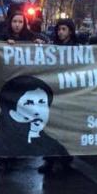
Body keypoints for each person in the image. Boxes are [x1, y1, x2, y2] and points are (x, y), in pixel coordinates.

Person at [0, 76, 68, 158]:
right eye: (28, 103)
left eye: (42, 102)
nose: (37, 112)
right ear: (11, 111)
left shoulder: (55, 148)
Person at [38, 19, 78, 174]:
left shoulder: (77, 48)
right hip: (54, 92)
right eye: (59, 29)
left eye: (64, 29)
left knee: (67, 128)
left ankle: (66, 160)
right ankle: (49, 160)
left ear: (70, 31)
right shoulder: (52, 46)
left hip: (69, 94)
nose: (61, 32)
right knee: (51, 127)